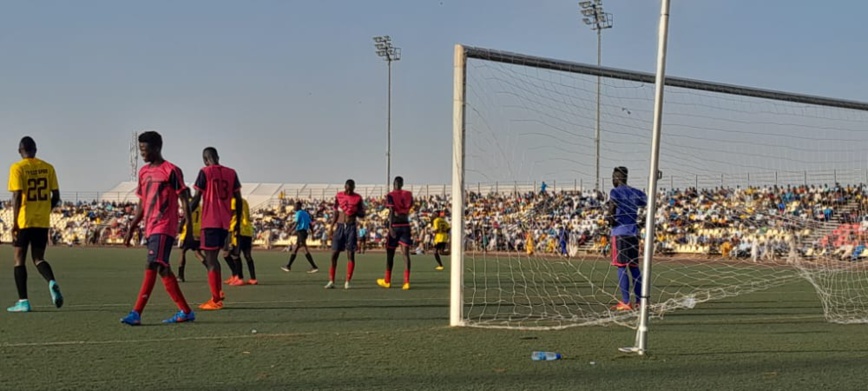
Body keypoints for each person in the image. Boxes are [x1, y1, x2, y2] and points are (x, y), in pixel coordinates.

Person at [120, 131, 195, 325]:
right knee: (162, 268)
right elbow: (142, 203)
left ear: (156, 148)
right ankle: (185, 311)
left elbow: (185, 200)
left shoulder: (171, 170)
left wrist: (187, 227)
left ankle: (136, 313)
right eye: (140, 150)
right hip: (150, 227)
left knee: (152, 264)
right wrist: (131, 227)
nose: (142, 154)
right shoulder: (143, 172)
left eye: (145, 150)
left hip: (165, 226)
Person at [6, 136, 64, 312]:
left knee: (19, 259)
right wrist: (46, 209)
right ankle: (51, 281)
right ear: (35, 150)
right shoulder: (48, 168)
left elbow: (17, 195)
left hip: (24, 220)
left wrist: (15, 223)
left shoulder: (17, 168)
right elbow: (56, 197)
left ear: (20, 151)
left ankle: (23, 301)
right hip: (41, 220)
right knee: (38, 258)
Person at [189, 147, 242, 310]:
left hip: (210, 221)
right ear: (217, 157)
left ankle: (215, 299)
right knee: (215, 259)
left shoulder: (205, 172)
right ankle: (218, 293)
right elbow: (238, 199)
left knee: (211, 261)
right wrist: (237, 222)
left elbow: (197, 198)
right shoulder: (232, 173)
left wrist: (184, 216)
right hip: (225, 222)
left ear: (205, 159)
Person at [607, 166, 647, 311]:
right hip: (633, 233)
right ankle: (640, 301)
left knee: (621, 267)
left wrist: (610, 220)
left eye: (613, 177)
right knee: (634, 267)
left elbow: (612, 207)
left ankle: (625, 301)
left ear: (617, 178)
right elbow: (646, 202)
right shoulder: (636, 192)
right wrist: (641, 220)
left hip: (620, 232)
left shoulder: (615, 191)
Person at [326, 179, 364, 289]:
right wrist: (331, 227)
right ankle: (331, 280)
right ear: (345, 187)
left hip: (351, 227)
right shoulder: (339, 196)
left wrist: (355, 211)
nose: (349, 190)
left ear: (354, 188)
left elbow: (362, 214)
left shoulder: (358, 198)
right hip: (340, 226)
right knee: (334, 254)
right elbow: (336, 212)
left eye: (351, 188)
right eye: (347, 188)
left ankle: (347, 281)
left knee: (350, 254)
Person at [377, 176, 413, 290]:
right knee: (405, 254)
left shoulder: (391, 195)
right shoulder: (408, 194)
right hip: (405, 224)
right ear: (402, 184)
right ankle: (406, 282)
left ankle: (387, 280)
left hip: (396, 225)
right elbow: (410, 206)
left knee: (390, 253)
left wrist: (390, 226)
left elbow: (392, 211)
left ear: (394, 184)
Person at [282, 201, 320, 273]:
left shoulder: (298, 213)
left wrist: (288, 233)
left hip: (301, 232)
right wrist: (312, 234)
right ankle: (288, 266)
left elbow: (296, 223)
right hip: (304, 232)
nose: (294, 207)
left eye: (296, 206)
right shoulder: (305, 213)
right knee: (295, 248)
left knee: (304, 248)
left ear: (299, 206)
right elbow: (310, 224)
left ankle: (314, 266)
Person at [228, 197, 257, 285]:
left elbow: (231, 213)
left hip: (238, 230)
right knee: (247, 255)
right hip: (247, 230)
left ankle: (240, 278)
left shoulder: (233, 200)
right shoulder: (244, 201)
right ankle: (253, 278)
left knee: (235, 255)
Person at [177, 204, 204, 282]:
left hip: (187, 231)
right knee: (197, 253)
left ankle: (180, 275)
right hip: (197, 231)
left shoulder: (189, 203)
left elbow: (186, 217)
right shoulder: (199, 205)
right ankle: (210, 269)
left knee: (182, 252)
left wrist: (181, 226)